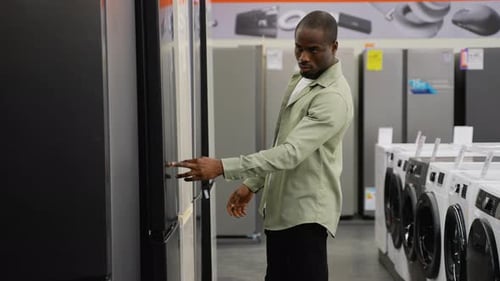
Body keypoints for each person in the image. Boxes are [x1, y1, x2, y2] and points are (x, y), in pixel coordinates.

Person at [167, 10, 353, 281]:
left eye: (313, 50)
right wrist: (252, 183)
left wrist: (222, 167)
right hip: (282, 211)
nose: (303, 57)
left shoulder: (332, 97)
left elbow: (290, 154)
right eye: (298, 48)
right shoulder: (303, 80)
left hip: (304, 216)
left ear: (334, 47)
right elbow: (282, 142)